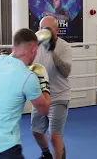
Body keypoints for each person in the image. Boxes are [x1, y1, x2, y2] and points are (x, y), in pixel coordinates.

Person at [0, 28, 51, 159]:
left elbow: (14, 60)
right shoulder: (28, 77)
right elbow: (45, 109)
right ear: (34, 50)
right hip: (5, 145)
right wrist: (44, 85)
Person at [31, 16, 72, 159]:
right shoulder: (35, 46)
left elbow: (66, 72)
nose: (45, 32)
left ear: (57, 31)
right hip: (41, 96)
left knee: (55, 136)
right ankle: (46, 154)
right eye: (43, 29)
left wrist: (52, 51)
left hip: (60, 96)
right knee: (36, 131)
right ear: (38, 30)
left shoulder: (64, 46)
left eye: (49, 30)